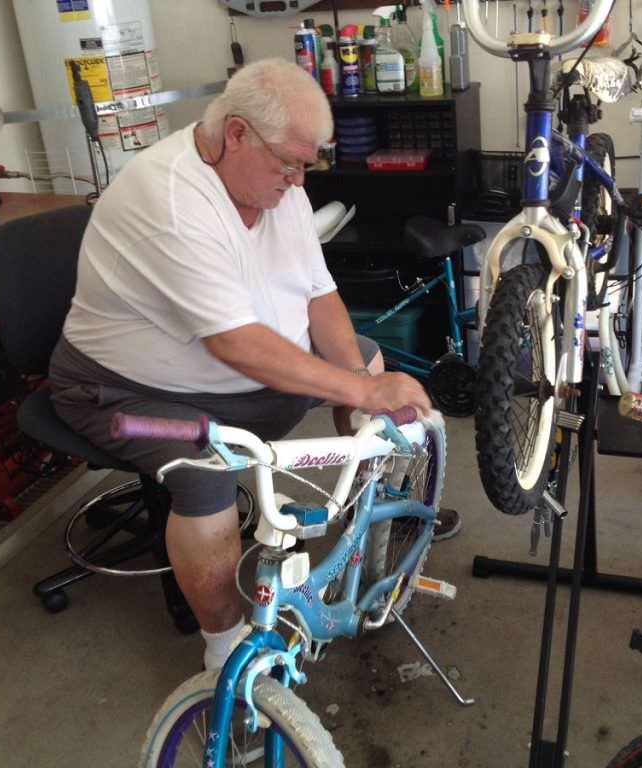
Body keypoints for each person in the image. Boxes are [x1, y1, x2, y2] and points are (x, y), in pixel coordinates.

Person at [49, 57, 460, 670]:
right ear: (235, 133)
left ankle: (372, 524)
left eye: (307, 164)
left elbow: (319, 295)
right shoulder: (172, 199)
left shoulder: (272, 183)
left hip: (250, 379)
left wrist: (358, 387)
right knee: (207, 471)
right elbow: (235, 344)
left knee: (368, 369)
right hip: (124, 392)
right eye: (290, 163)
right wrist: (357, 390)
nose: (299, 182)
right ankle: (225, 650)